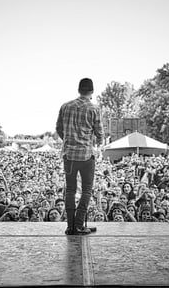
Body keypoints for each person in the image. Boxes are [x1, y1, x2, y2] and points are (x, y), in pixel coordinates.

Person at [56, 78, 104, 235]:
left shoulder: (65, 106)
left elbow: (58, 128)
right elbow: (100, 133)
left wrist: (69, 141)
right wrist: (95, 143)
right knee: (87, 190)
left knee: (70, 190)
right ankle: (79, 224)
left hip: (69, 155)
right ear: (91, 91)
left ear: (79, 90)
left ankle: (70, 226)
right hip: (86, 156)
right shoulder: (94, 109)